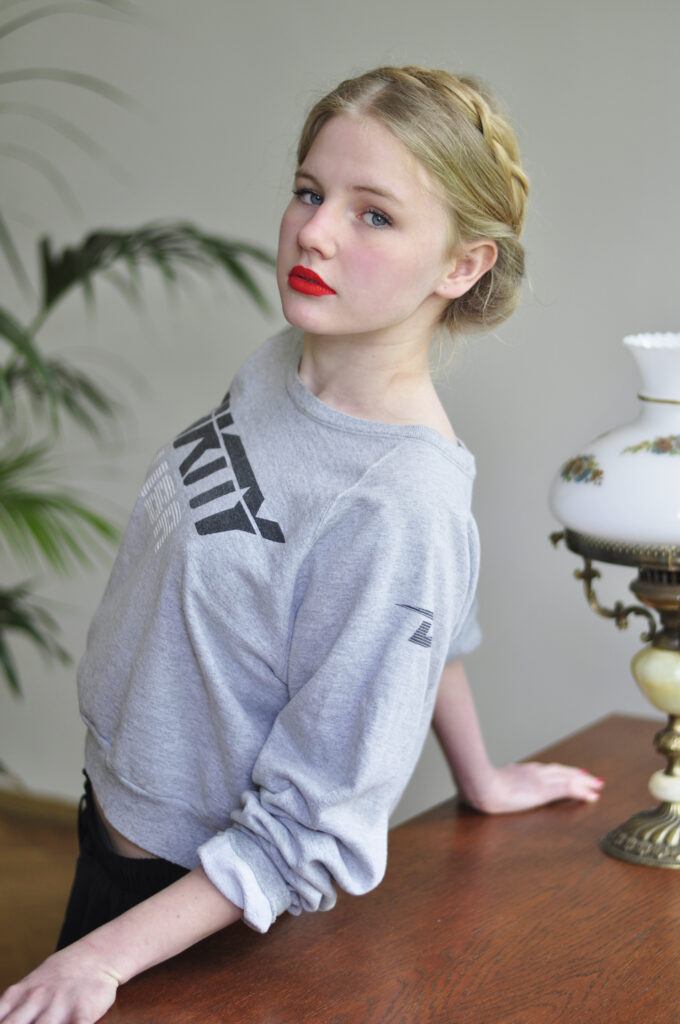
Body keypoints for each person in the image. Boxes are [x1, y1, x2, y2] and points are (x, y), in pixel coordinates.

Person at [0, 65, 603, 1024]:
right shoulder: (288, 360)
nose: (314, 231)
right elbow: (418, 631)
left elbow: (309, 830)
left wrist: (104, 958)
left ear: (462, 265)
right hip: (113, 832)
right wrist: (479, 776)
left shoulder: (404, 505)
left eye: (375, 215)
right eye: (311, 192)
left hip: (198, 909)